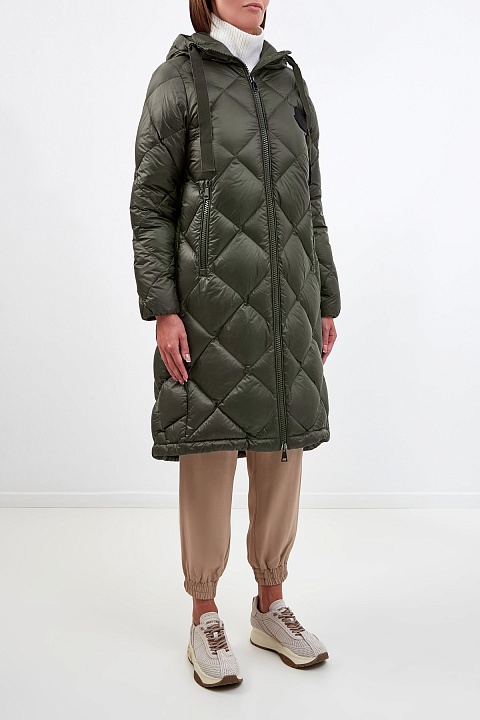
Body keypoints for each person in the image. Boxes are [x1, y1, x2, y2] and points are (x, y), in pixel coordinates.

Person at [129, 0, 341, 689]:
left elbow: (309, 200)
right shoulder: (178, 78)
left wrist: (325, 296)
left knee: (283, 444)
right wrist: (163, 307)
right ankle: (204, 615)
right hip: (208, 304)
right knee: (210, 450)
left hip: (288, 301)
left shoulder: (288, 80)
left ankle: (270, 605)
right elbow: (151, 204)